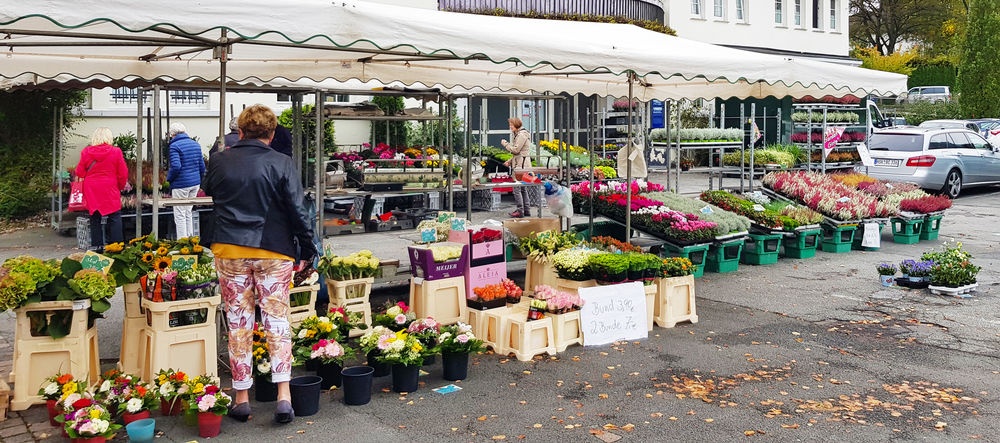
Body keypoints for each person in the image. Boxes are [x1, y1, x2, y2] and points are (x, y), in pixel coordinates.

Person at [203, 104, 318, 425]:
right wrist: (308, 249)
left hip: (229, 248)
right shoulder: (282, 162)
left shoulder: (220, 159)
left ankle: (241, 397)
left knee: (238, 322)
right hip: (273, 250)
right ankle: (283, 395)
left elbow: (209, 189)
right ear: (271, 134)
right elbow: (298, 210)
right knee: (277, 319)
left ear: (239, 132)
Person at [75, 127, 129, 251]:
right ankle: (116, 248)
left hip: (92, 188)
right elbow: (123, 172)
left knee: (95, 218)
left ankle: (97, 248)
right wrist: (119, 186)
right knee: (114, 216)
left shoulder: (86, 152)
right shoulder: (116, 152)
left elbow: (79, 172)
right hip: (110, 186)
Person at [166, 122, 206, 240]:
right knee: (188, 211)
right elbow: (202, 166)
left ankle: (182, 241)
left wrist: (169, 178)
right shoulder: (195, 144)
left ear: (172, 134)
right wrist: (199, 179)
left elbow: (176, 166)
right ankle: (191, 239)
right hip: (195, 183)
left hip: (180, 184)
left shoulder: (174, 146)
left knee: (179, 214)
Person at [501, 117, 533, 218]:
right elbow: (520, 152)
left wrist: (505, 144)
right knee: (522, 188)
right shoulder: (520, 134)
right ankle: (526, 210)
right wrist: (510, 161)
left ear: (516, 125)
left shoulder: (521, 134)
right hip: (521, 163)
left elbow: (516, 150)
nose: (510, 127)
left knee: (517, 188)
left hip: (521, 165)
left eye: (511, 125)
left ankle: (520, 210)